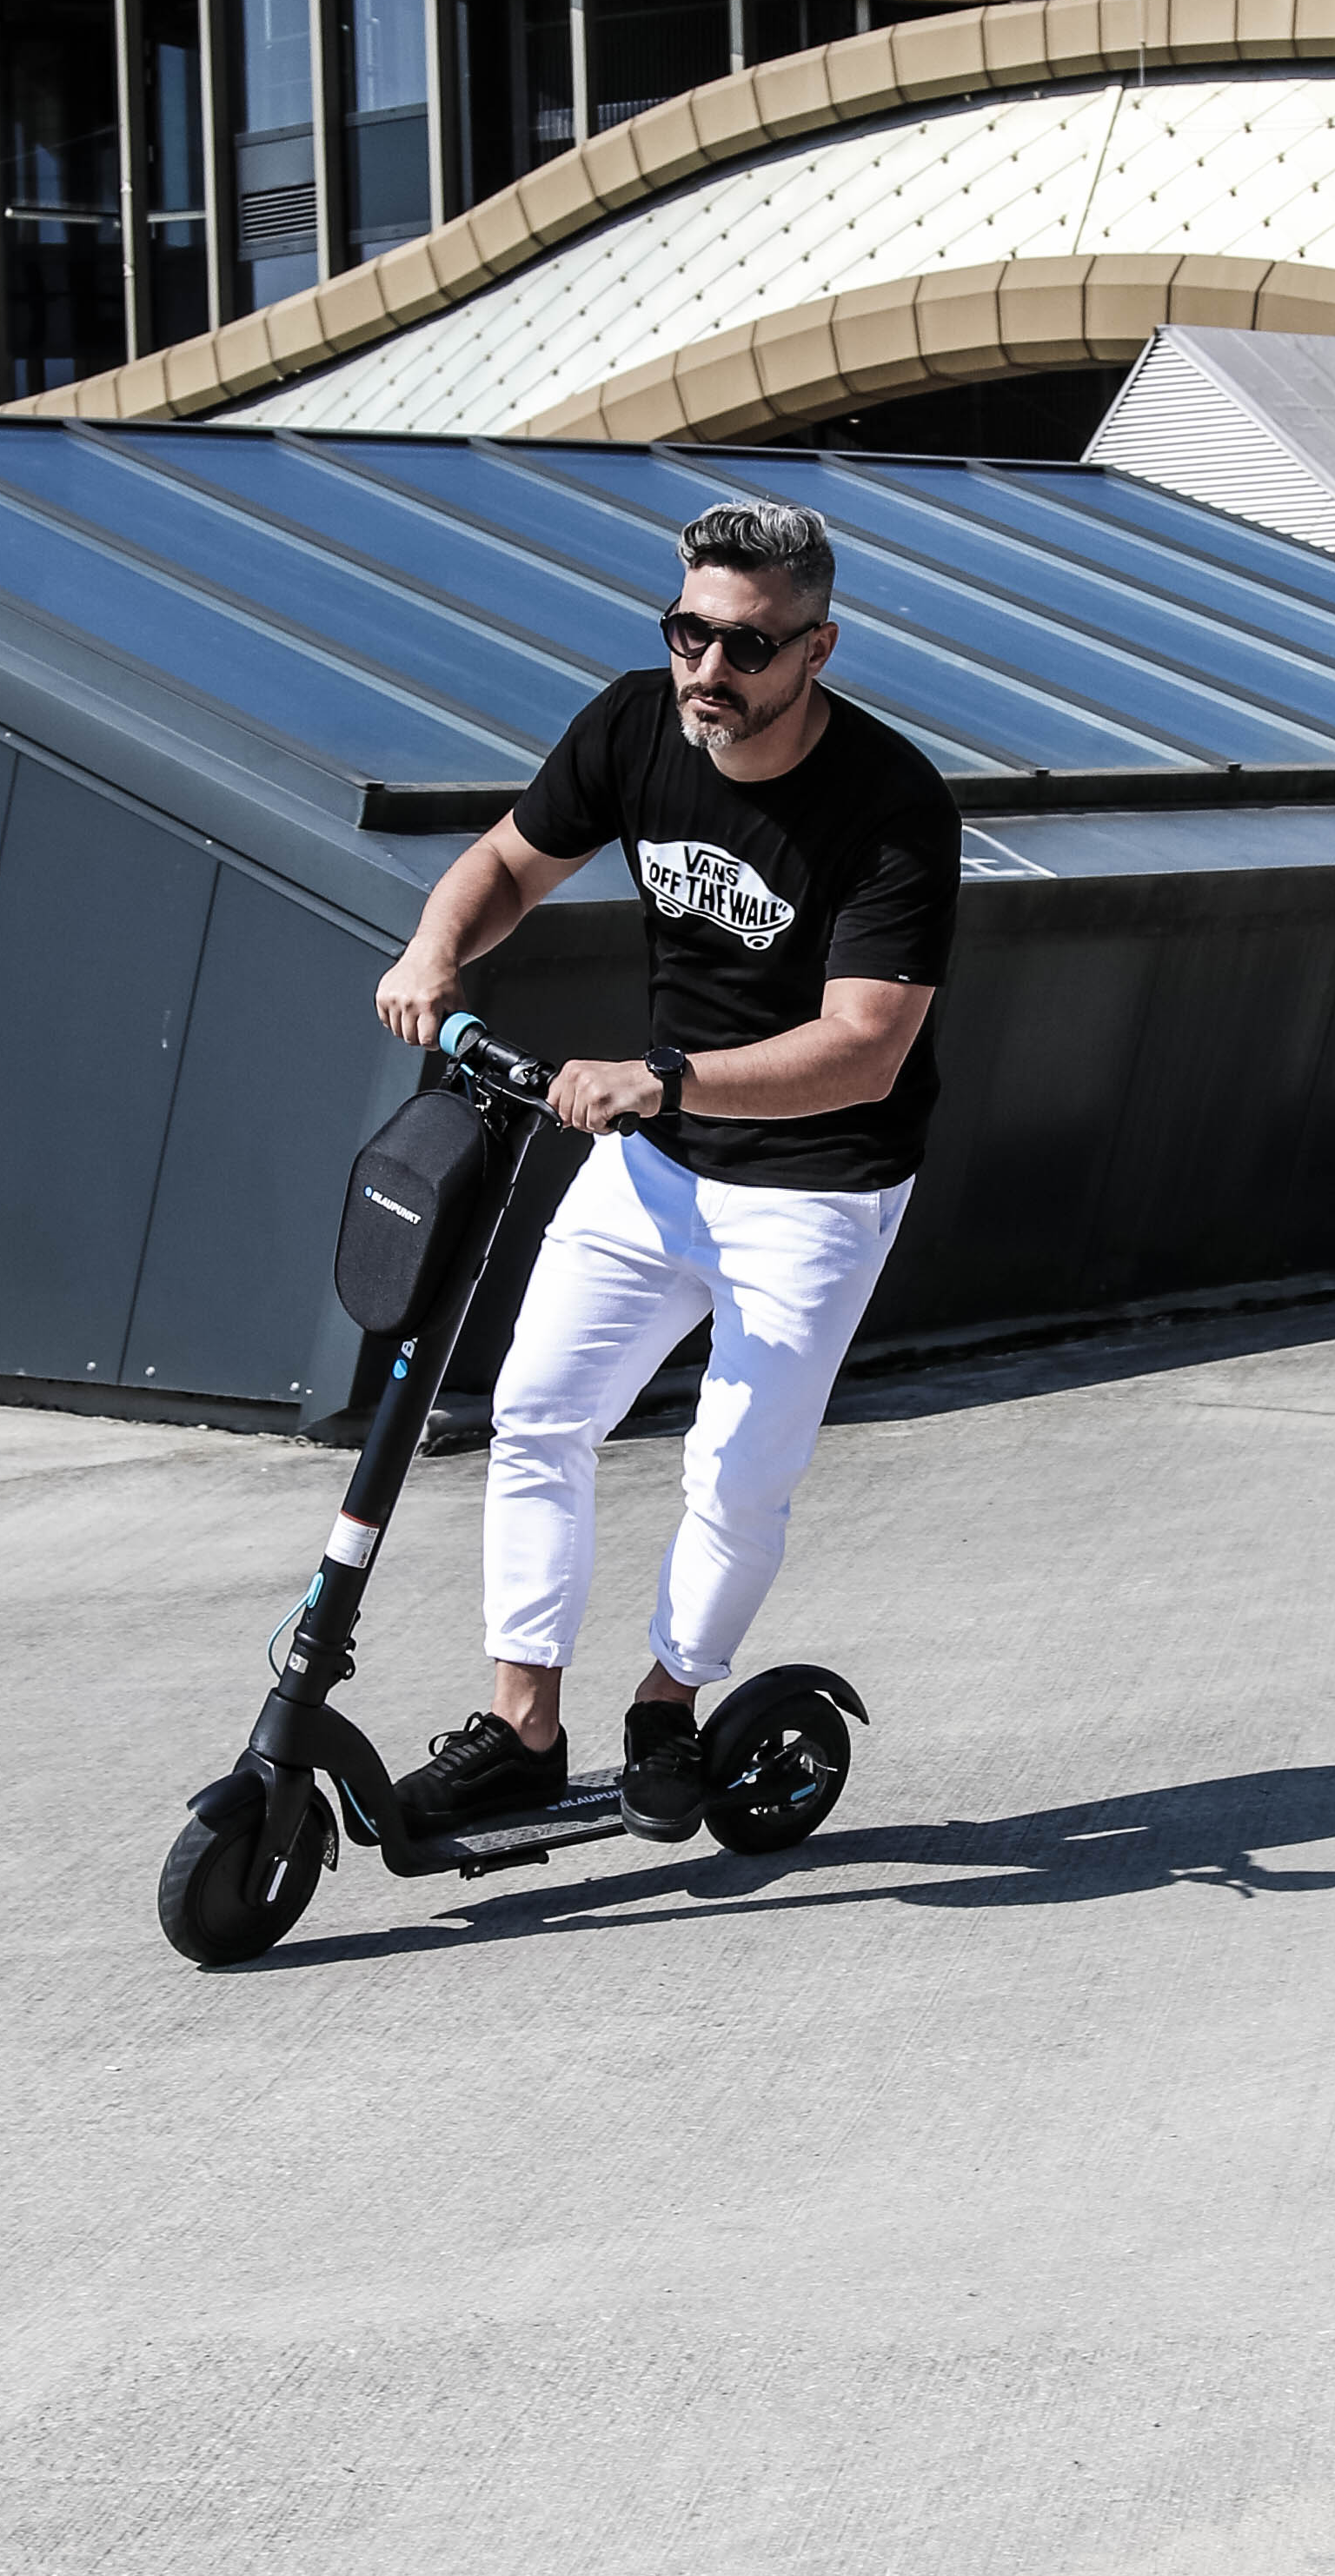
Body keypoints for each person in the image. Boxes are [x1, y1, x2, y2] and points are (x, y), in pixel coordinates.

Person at [372, 495, 960, 1843]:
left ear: (817, 648)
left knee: (735, 1475)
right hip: (655, 1165)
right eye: (688, 632)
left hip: (818, 1186)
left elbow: (866, 1050)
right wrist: (433, 949)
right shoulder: (636, 723)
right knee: (538, 1419)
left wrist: (666, 1078)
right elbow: (509, 862)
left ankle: (667, 1705)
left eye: (747, 646)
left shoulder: (891, 805)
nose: (708, 670)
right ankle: (523, 1729)